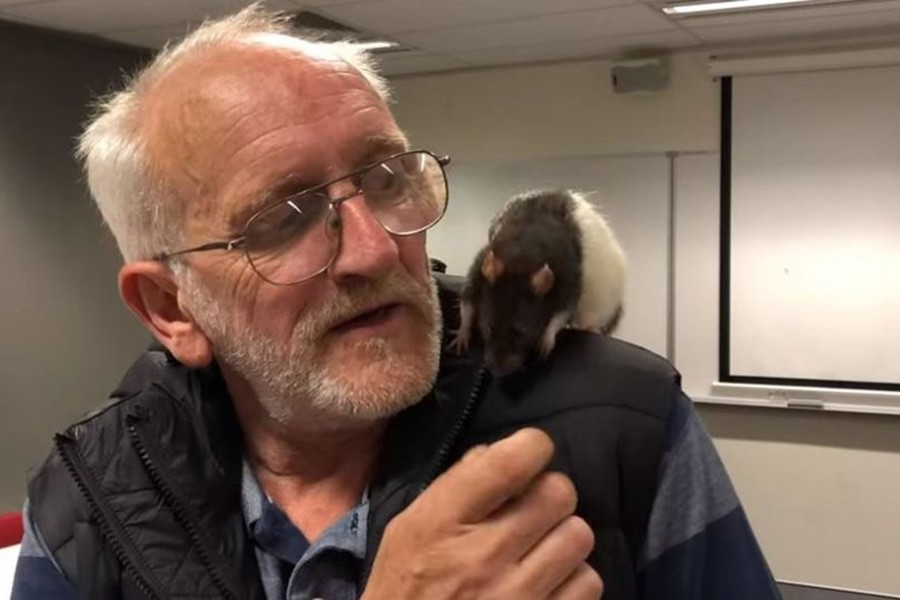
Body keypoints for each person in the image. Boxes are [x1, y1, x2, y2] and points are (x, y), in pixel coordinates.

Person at [12, 5, 781, 600]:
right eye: (283, 218)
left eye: (386, 179)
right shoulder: (89, 495)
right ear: (171, 309)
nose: (379, 249)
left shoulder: (629, 424)